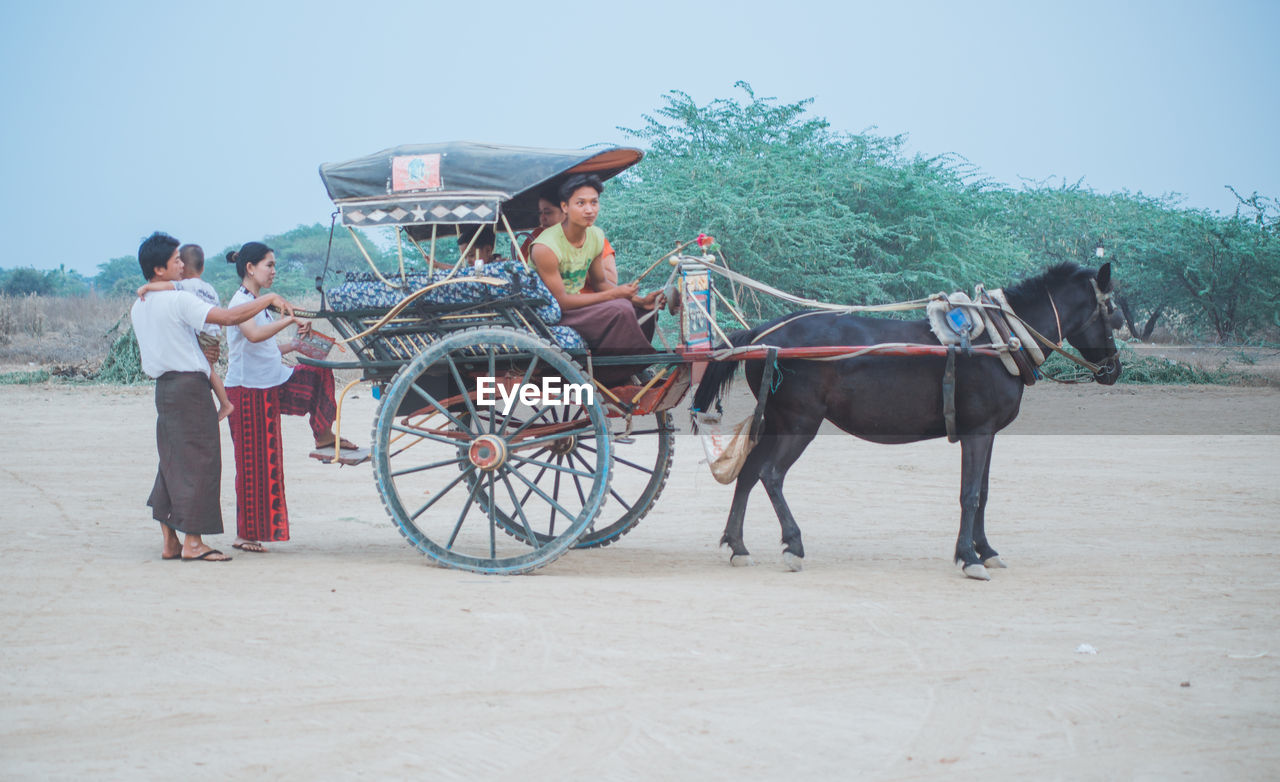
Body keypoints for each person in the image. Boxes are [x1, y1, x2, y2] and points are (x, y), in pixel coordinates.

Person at [130, 231, 295, 563]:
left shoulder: (141, 303)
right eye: (176, 259)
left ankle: (171, 541)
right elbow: (230, 318)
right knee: (201, 463)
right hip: (190, 387)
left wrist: (150, 286)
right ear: (160, 269)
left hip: (165, 390)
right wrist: (270, 298)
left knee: (172, 462)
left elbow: (164, 292)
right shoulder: (179, 300)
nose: (182, 264)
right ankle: (193, 542)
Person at [223, 241, 360, 554]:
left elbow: (265, 346)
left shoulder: (257, 302)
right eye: (268, 265)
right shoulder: (240, 303)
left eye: (273, 265)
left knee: (318, 372)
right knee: (253, 463)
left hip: (272, 383)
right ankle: (245, 535)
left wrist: (296, 345)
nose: (273, 271)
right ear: (250, 268)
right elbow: (254, 335)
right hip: (247, 393)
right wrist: (290, 320)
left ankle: (324, 436)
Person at [529, 174, 662, 385]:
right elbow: (561, 301)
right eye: (580, 203)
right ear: (565, 207)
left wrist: (640, 300)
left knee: (644, 310)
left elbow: (600, 282)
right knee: (620, 309)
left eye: (594, 202)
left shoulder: (595, 236)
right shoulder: (545, 247)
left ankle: (627, 370)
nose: (589, 210)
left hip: (577, 309)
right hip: (551, 314)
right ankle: (610, 377)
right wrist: (616, 295)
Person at [136, 243, 233, 420]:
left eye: (180, 261)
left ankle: (226, 403)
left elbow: (168, 287)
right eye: (176, 261)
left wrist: (148, 287)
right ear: (202, 267)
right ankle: (224, 402)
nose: (179, 266)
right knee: (209, 368)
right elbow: (220, 316)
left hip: (201, 335)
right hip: (213, 332)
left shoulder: (185, 287)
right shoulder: (209, 289)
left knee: (208, 369)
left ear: (184, 267)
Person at [520, 188, 617, 283]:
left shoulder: (592, 237)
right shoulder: (537, 236)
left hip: (591, 298)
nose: (542, 218)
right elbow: (521, 272)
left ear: (566, 209)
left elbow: (611, 279)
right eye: (540, 213)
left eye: (548, 213)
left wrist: (571, 267)